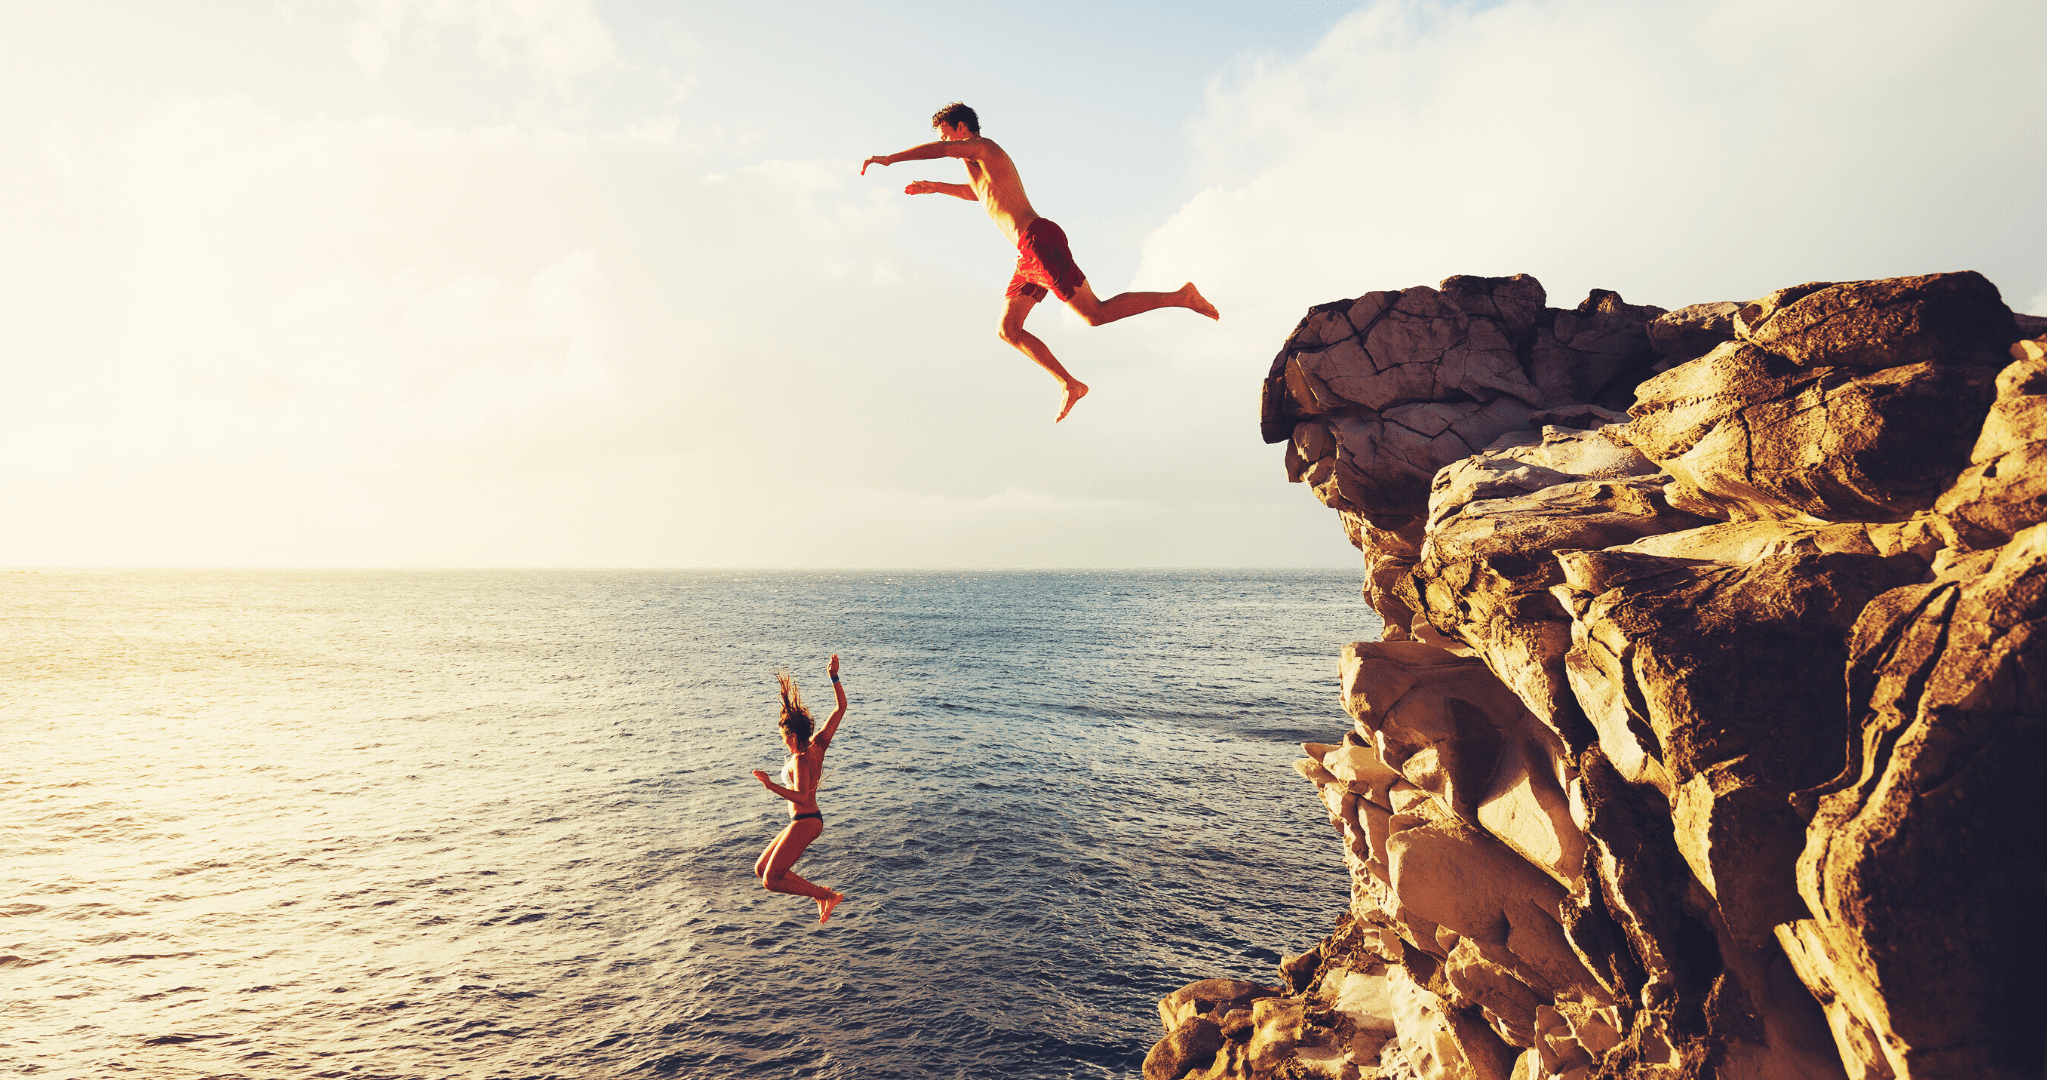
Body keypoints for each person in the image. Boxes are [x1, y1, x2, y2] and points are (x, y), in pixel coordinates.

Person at [862, 102, 1219, 423]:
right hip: (1027, 253)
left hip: (1039, 241)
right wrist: (936, 187)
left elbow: (942, 152)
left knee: (1095, 313)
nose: (945, 143)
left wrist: (890, 159)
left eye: (946, 135)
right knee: (1009, 329)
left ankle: (1181, 296)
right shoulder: (977, 167)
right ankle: (1071, 384)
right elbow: (983, 195)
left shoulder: (985, 149)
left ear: (961, 129)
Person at [750, 653, 848, 923]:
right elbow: (840, 708)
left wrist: (771, 786)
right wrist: (834, 678)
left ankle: (825, 895)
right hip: (805, 820)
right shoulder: (818, 744)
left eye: (784, 738)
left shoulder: (801, 759)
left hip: (806, 819)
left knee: (771, 881)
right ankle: (821, 894)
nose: (784, 743)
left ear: (792, 736)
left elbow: (803, 797)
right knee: (761, 869)